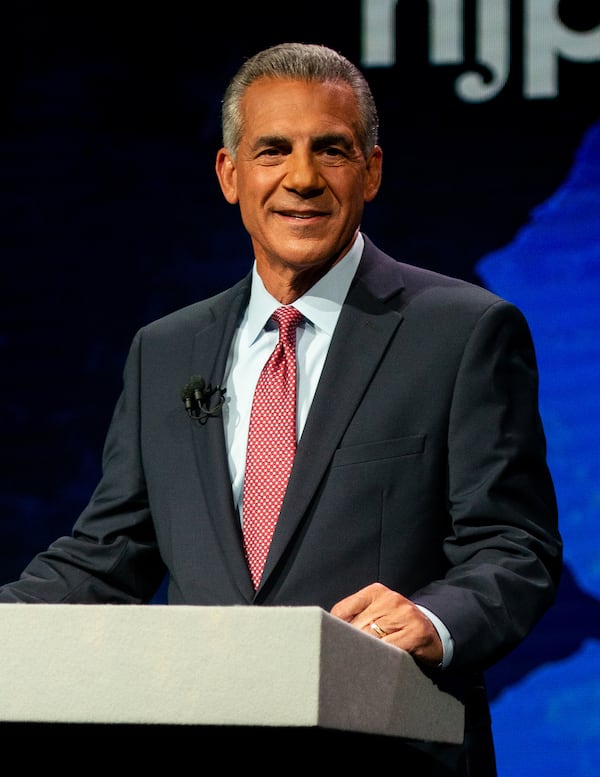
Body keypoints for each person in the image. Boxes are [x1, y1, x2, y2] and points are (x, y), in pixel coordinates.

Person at [0, 42, 561, 773]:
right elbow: (106, 556)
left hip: (390, 753)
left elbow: (514, 549)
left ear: (372, 171)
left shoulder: (462, 333)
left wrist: (431, 617)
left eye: (330, 150)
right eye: (273, 150)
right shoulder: (164, 350)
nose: (302, 178)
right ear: (230, 175)